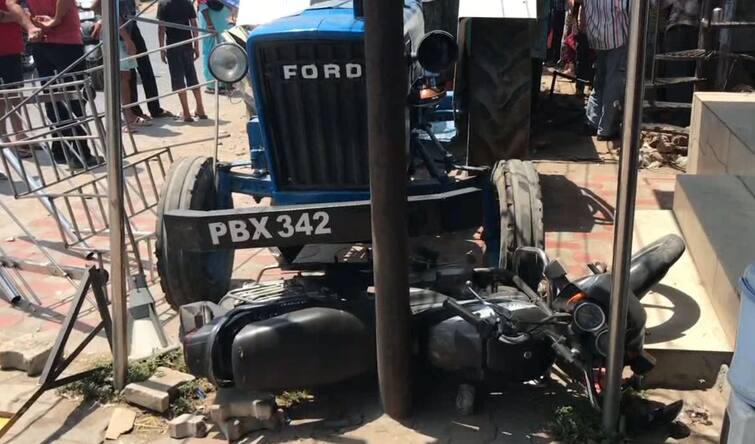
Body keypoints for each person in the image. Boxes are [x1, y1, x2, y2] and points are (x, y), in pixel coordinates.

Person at [28, 0, 102, 168]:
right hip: (66, 41)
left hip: (41, 42)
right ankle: (80, 153)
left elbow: (13, 4)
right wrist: (56, 18)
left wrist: (30, 24)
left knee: (53, 98)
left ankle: (61, 149)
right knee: (75, 98)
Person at [91, 0, 173, 120]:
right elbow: (96, 7)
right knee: (129, 74)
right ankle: (134, 111)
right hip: (120, 33)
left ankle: (155, 108)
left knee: (145, 69)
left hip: (131, 27)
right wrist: (102, 19)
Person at [0, 0, 42, 170]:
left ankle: (21, 135)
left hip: (12, 49)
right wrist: (19, 16)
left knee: (15, 94)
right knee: (1, 98)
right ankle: (5, 139)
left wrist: (19, 16)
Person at [582, 0, 629, 141]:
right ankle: (606, 129)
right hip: (616, 36)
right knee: (613, 82)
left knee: (600, 79)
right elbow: (622, 7)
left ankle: (592, 121)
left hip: (597, 34)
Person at [158, 0, 206, 122]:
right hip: (187, 43)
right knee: (192, 75)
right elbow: (193, 24)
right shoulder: (187, 3)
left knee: (178, 79)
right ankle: (200, 108)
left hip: (173, 45)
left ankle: (186, 112)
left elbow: (161, 27)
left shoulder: (163, 4)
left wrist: (162, 48)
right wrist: (196, 45)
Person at [196, 0, 235, 92]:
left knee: (227, 49)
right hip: (210, 18)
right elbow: (202, 3)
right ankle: (212, 84)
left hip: (224, 17)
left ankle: (227, 81)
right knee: (211, 50)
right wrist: (209, 24)